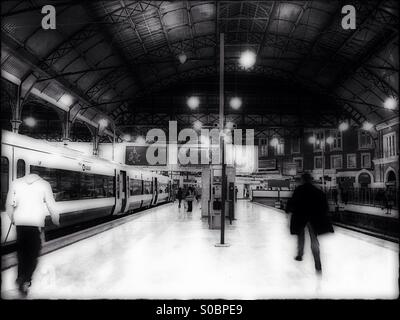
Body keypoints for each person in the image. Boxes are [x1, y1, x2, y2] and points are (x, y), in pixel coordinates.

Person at [5, 173, 60, 297]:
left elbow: (8, 205)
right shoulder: (45, 184)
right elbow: (51, 205)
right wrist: (56, 219)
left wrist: (13, 219)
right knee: (33, 254)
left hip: (20, 226)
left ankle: (20, 277)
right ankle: (25, 279)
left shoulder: (16, 183)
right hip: (35, 226)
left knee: (22, 254)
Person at [286, 173, 333, 274]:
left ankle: (300, 254)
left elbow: (292, 202)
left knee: (301, 235)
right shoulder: (317, 191)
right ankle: (317, 262)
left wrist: (288, 210)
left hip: (300, 217)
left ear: (303, 180)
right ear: (311, 180)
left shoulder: (299, 190)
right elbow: (324, 206)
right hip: (314, 218)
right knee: (314, 238)